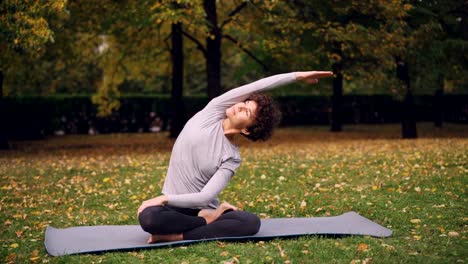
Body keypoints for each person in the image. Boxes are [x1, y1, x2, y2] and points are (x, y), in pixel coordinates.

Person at [137, 71, 333, 243]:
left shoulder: (231, 157)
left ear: (247, 130)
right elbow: (256, 85)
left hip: (197, 207)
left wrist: (162, 199)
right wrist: (296, 76)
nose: (240, 106)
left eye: (246, 112)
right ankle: (206, 221)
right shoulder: (211, 112)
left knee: (250, 223)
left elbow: (204, 197)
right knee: (150, 218)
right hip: (175, 210)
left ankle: (179, 235)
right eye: (245, 102)